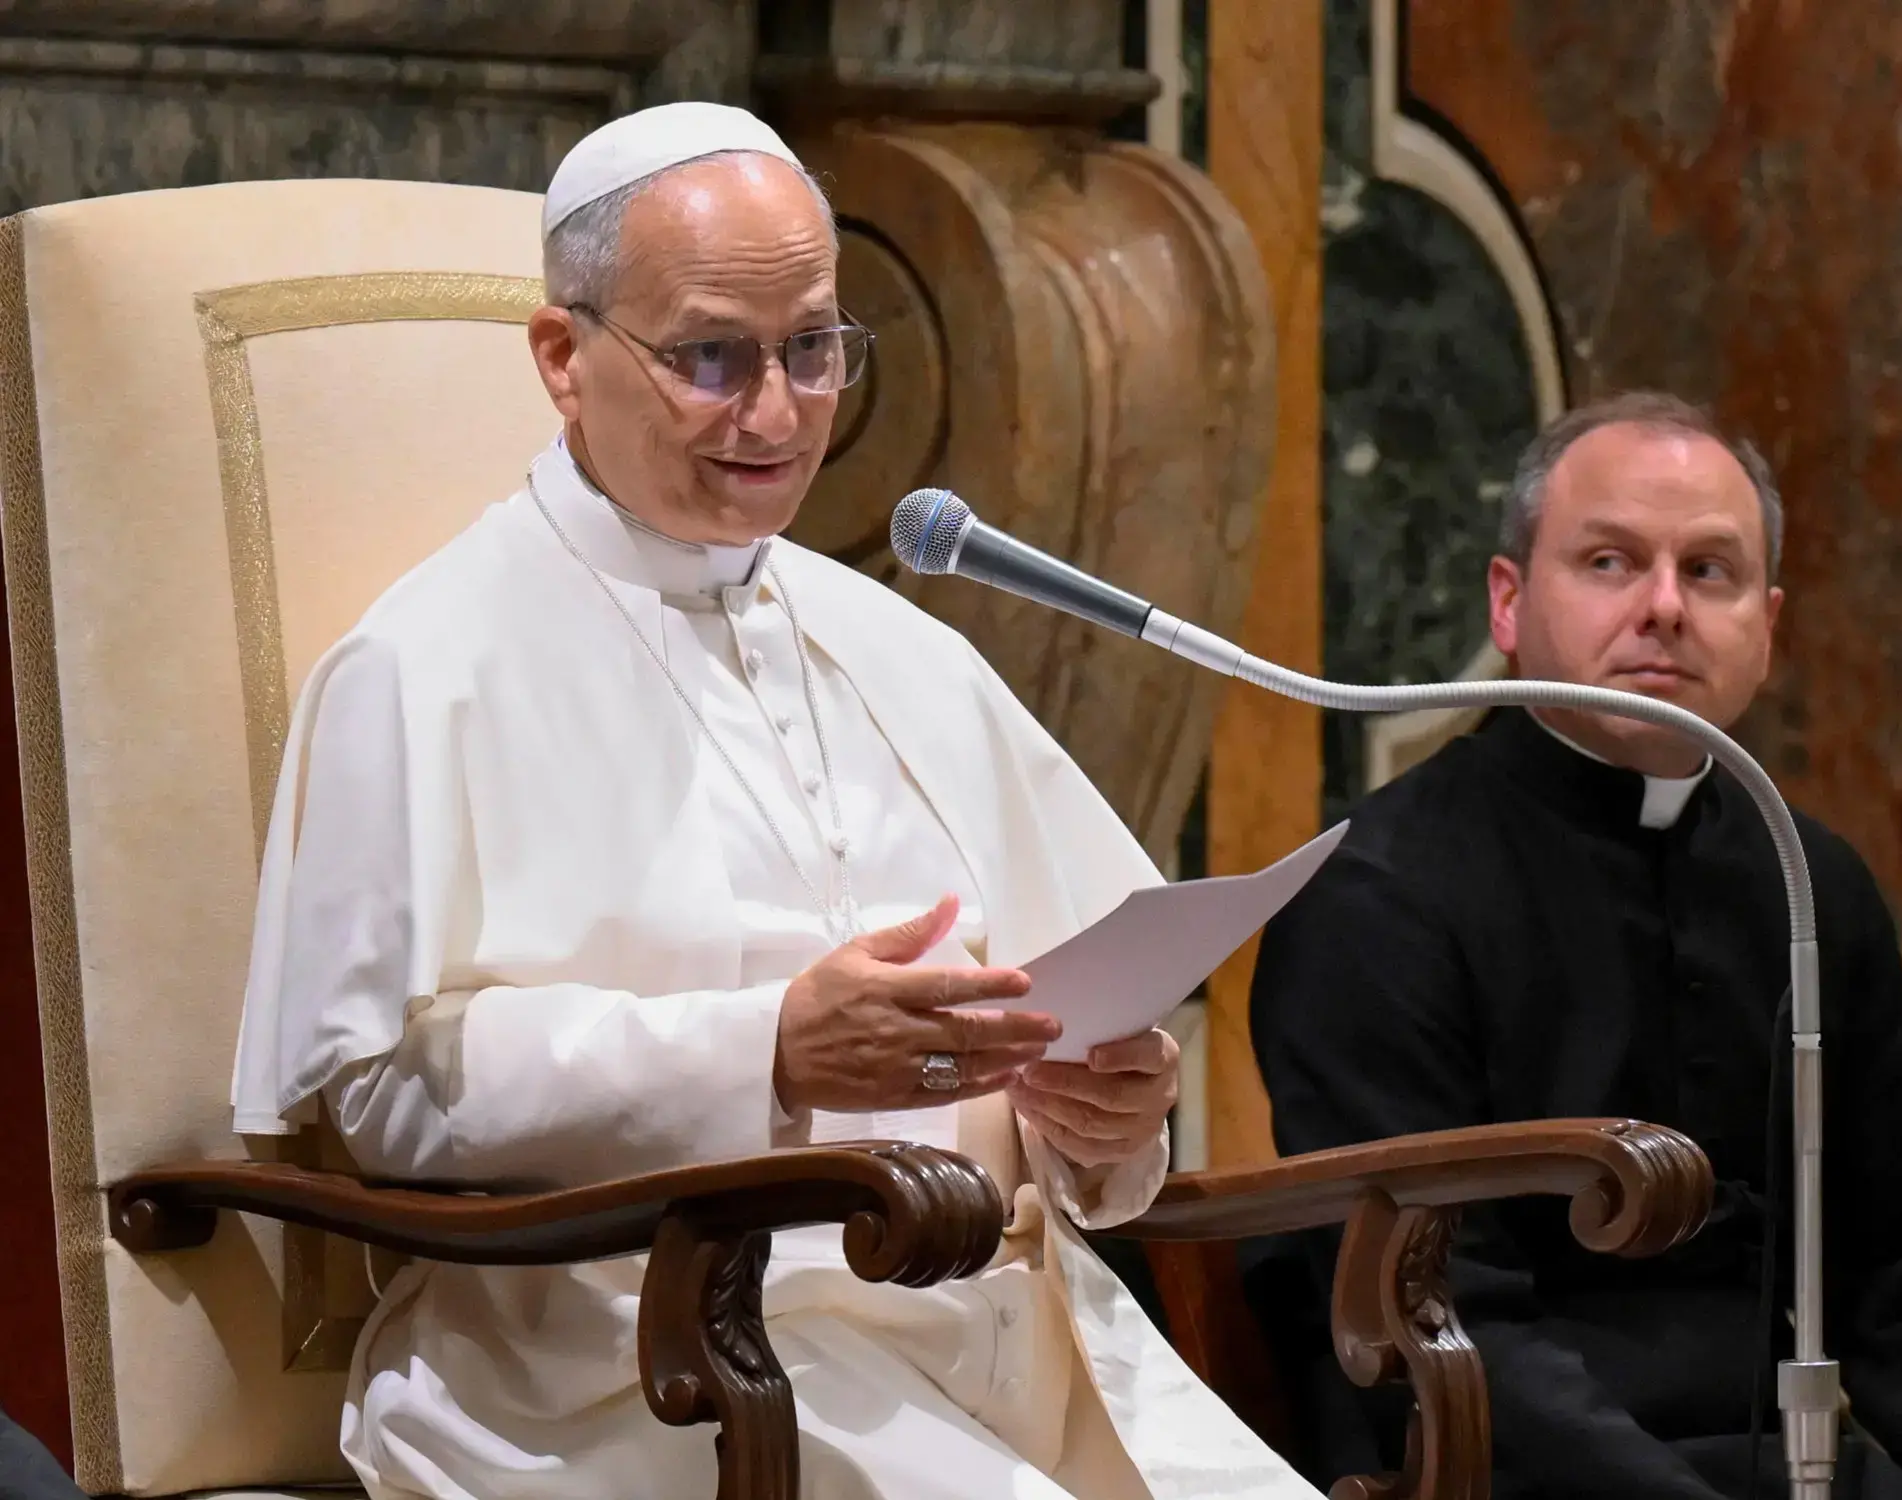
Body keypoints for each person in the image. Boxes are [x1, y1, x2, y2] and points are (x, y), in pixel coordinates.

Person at [227, 101, 1317, 1500]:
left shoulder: (906, 646)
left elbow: (1069, 1032)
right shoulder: (421, 666)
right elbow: (382, 1091)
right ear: (565, 357)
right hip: (640, 1358)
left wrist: (1101, 1122)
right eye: (709, 359)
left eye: (814, 348)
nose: (779, 413)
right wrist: (772, 1052)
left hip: (1010, 1338)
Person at [1248, 391, 1902, 1499]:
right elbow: (1444, 1319)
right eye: (1607, 562)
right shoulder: (1375, 890)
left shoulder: (1806, 881)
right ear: (1506, 604)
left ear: (1767, 623)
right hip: (1493, 1466)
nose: (1661, 607)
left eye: (1708, 571)